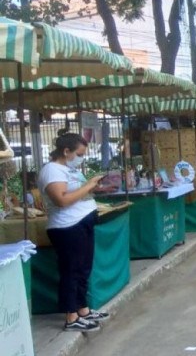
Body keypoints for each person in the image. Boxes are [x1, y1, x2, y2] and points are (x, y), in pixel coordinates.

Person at [39, 132, 115, 332]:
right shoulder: (51, 170)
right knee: (71, 271)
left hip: (83, 223)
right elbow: (62, 200)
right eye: (79, 154)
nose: (81, 158)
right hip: (67, 227)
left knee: (83, 269)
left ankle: (83, 310)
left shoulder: (68, 170)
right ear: (66, 151)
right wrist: (88, 185)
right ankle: (71, 316)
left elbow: (77, 193)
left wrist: (93, 188)